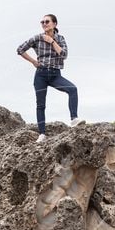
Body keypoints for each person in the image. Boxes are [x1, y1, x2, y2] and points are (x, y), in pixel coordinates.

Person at [16, 13, 84, 143]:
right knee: (40, 105)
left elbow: (64, 55)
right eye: (42, 22)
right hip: (40, 75)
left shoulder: (60, 38)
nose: (44, 24)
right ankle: (42, 134)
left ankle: (74, 119)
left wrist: (52, 41)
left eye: (46, 22)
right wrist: (33, 62)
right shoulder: (37, 38)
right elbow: (20, 49)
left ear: (54, 24)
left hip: (55, 75)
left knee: (72, 89)